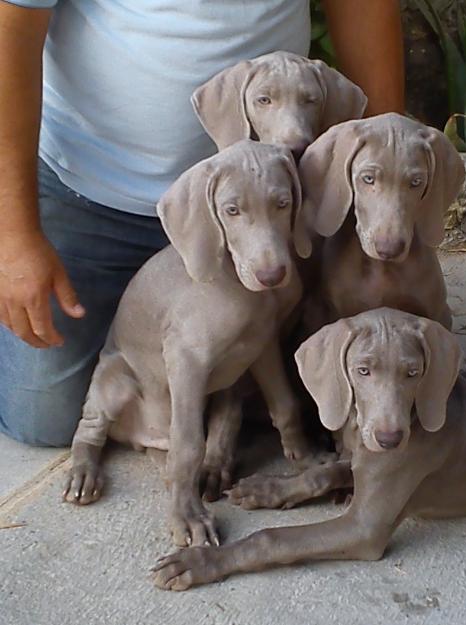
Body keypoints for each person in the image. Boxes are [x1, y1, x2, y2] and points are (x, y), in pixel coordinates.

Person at [0, 0, 405, 446]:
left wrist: (381, 182)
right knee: (44, 418)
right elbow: (11, 28)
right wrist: (14, 237)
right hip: (91, 193)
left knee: (324, 389)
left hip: (264, 204)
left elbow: (364, 8)